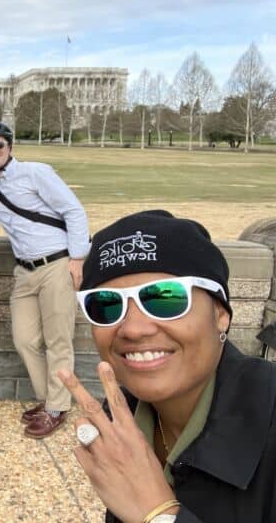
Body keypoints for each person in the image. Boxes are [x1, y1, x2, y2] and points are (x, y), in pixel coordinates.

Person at [60, 210, 276, 522]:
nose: (133, 329)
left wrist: (160, 515)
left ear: (220, 313)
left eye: (166, 298)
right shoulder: (122, 417)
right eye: (105, 303)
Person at [0, 120, 89, 438]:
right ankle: (49, 398)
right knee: (24, 340)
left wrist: (77, 258)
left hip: (56, 264)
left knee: (58, 340)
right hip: (23, 270)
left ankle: (56, 406)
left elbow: (73, 211)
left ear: (10, 146)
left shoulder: (36, 172)